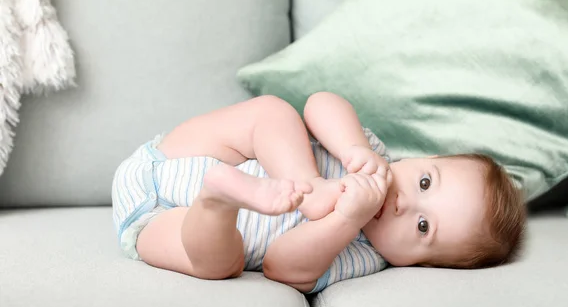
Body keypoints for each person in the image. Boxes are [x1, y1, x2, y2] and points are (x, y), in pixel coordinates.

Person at [111, 92, 526, 293]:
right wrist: (353, 149)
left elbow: (281, 266)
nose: (403, 202)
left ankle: (219, 200)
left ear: (420, 264)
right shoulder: (370, 155)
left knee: (222, 261)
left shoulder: (363, 256)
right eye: (424, 182)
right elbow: (319, 103)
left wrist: (345, 220)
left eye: (422, 226)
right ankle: (308, 187)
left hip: (155, 221)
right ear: (423, 158)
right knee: (272, 111)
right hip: (179, 155)